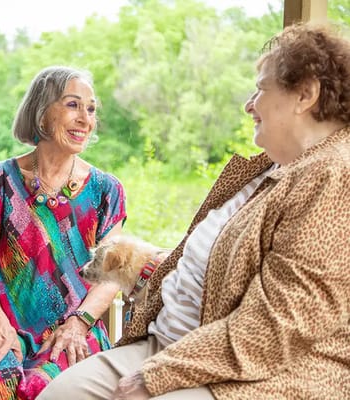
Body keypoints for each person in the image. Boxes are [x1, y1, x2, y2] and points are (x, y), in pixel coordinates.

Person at [38, 22, 350, 400]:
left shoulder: (333, 175)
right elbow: (223, 265)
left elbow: (279, 325)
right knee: (60, 394)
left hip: (249, 375)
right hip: (168, 345)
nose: (249, 104)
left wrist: (158, 375)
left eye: (261, 89)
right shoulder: (266, 170)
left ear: (305, 94)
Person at [0, 66, 127, 400]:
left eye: (91, 109)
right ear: (42, 111)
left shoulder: (107, 190)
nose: (85, 119)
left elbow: (110, 275)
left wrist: (78, 324)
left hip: (72, 327)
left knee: (41, 389)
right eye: (73, 105)